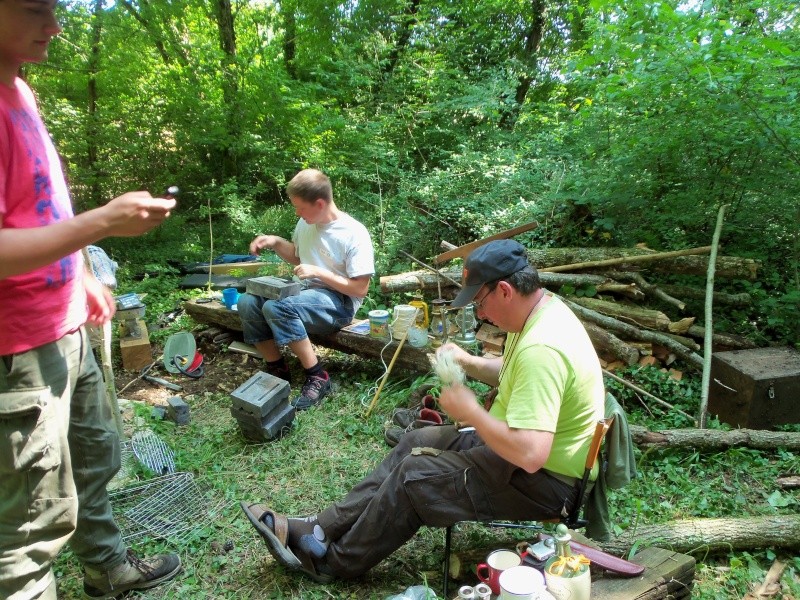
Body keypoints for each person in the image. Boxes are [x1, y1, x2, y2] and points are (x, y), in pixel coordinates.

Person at [240, 238, 605, 582]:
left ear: (505, 290)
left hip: (545, 482)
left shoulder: (543, 349)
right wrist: (469, 362)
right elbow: (512, 373)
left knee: (414, 476)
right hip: (519, 453)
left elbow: (530, 454)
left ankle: (333, 562)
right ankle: (321, 528)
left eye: (480, 302)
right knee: (417, 439)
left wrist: (474, 412)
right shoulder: (537, 312)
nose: (480, 313)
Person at [0, 2, 181, 598]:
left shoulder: (20, 90)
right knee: (27, 529)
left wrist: (80, 271)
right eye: (34, 8)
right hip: (15, 351)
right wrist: (102, 224)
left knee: (93, 463)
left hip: (66, 327)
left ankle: (108, 571)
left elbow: (44, 204)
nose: (54, 24)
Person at [237, 169, 374, 410]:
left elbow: (360, 289)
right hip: (305, 294)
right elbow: (298, 256)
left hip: (339, 303)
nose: (297, 213)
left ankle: (318, 376)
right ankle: (277, 368)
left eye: (300, 207)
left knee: (277, 306)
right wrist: (276, 242)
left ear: (319, 203)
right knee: (248, 302)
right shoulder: (306, 222)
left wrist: (319, 272)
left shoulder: (354, 233)